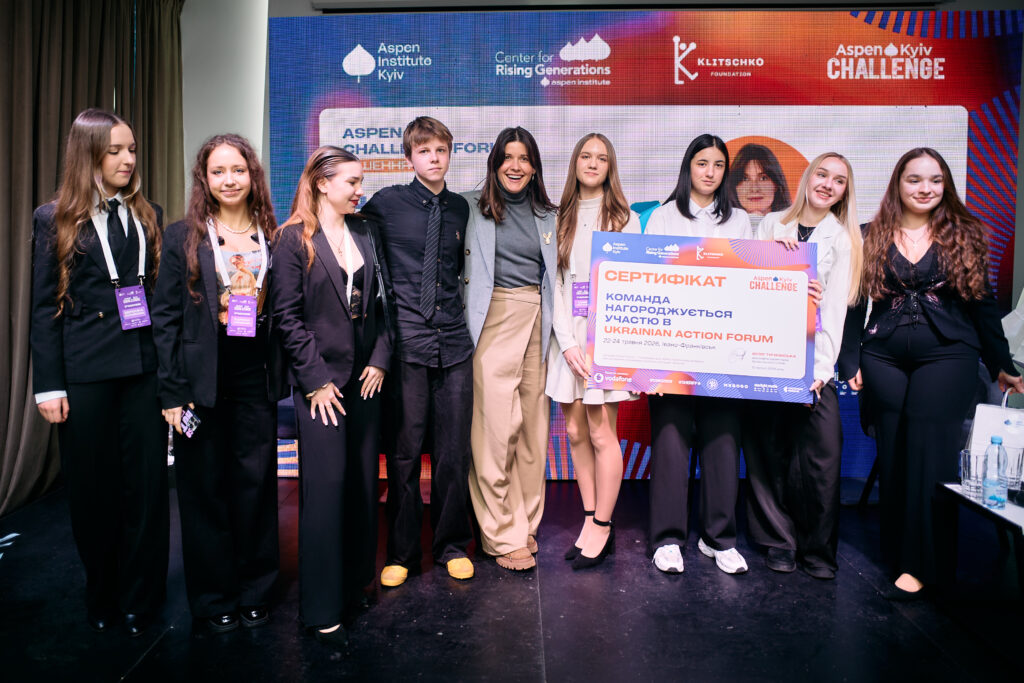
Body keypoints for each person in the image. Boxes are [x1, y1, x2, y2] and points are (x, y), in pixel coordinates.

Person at [840, 147, 1023, 599]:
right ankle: (900, 552)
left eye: (935, 180)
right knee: (895, 452)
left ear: (946, 186)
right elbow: (855, 304)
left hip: (949, 355)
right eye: (915, 179)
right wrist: (851, 361)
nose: (925, 189)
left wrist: (1001, 365)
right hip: (882, 357)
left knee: (928, 451)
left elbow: (983, 304)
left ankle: (926, 563)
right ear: (897, 184)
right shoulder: (868, 235)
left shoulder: (965, 234)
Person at [30, 108, 168, 636]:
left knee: (147, 488)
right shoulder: (54, 218)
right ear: (88, 154)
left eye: (131, 149)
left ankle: (142, 596)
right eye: (114, 151)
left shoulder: (149, 213)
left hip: (143, 368)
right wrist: (49, 385)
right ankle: (102, 592)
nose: (127, 159)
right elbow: (44, 308)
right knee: (93, 489)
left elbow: (157, 294)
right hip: (85, 371)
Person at [151, 134, 282, 633]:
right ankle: (213, 596)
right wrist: (171, 392)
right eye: (218, 171)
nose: (229, 180)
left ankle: (256, 590)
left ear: (253, 175)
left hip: (255, 381)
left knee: (256, 489)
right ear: (204, 179)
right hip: (198, 385)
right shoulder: (183, 236)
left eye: (238, 170)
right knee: (203, 493)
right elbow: (165, 319)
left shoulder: (273, 235)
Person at [270, 146, 392, 645]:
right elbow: (287, 318)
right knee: (325, 492)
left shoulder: (365, 231)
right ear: (322, 183)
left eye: (360, 181)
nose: (359, 190)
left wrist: (380, 359)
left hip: (365, 382)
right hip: (321, 386)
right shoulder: (291, 239)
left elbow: (383, 305)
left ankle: (354, 584)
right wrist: (316, 381)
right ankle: (321, 606)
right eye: (351, 182)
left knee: (362, 487)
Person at [362, 117, 475, 587]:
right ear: (409, 157)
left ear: (450, 154)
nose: (434, 158)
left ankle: (451, 546)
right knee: (404, 456)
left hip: (455, 344)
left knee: (453, 454)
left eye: (441, 150)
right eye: (424, 151)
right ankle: (402, 553)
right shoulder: (385, 204)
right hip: (406, 344)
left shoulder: (462, 208)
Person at [744, 153, 862, 580]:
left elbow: (837, 311)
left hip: (814, 363)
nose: (828, 184)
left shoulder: (844, 240)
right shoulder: (771, 226)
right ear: (808, 178)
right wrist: (778, 264)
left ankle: (818, 550)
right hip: (765, 354)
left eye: (839, 180)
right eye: (822, 174)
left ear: (845, 192)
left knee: (821, 458)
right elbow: (748, 289)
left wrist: (822, 371)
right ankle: (779, 542)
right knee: (767, 451)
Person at [644, 133, 752, 575]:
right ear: (688, 166)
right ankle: (668, 539)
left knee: (723, 442)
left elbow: (750, 282)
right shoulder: (663, 216)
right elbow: (648, 279)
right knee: (671, 442)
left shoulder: (740, 221)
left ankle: (718, 539)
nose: (710, 172)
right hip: (673, 350)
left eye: (718, 165)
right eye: (702, 163)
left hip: (724, 352)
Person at [463, 126, 558, 571]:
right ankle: (500, 533)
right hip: (493, 318)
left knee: (533, 431)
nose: (515, 166)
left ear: (534, 166)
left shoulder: (550, 215)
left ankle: (526, 522)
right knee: (495, 431)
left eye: (524, 158)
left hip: (538, 319)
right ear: (495, 164)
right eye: (507, 158)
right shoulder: (469, 207)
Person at [546, 133, 640, 570]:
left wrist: (603, 343)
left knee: (603, 433)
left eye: (602, 157)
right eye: (585, 155)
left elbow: (635, 286)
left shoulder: (625, 218)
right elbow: (554, 283)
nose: (593, 163)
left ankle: (604, 524)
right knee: (575, 432)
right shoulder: (556, 216)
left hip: (607, 340)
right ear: (575, 162)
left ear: (610, 166)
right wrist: (567, 343)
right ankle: (589, 520)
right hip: (566, 337)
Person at [725, 143, 791, 235]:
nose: (754, 188)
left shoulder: (795, 225)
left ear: (776, 184)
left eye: (763, 178)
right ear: (734, 186)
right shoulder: (720, 226)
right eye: (745, 179)